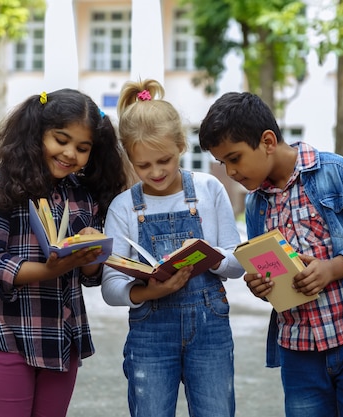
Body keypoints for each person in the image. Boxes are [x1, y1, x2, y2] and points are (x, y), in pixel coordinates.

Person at [198, 91, 343, 417]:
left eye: (235, 158)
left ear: (268, 141)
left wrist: (333, 268)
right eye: (222, 163)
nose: (230, 172)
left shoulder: (339, 174)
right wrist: (262, 287)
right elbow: (272, 273)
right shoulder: (257, 205)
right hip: (299, 354)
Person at [0, 88, 130, 417]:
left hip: (61, 339)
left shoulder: (82, 196)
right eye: (61, 140)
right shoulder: (0, 186)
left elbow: (92, 276)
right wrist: (50, 270)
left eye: (82, 148)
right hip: (6, 334)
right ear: (38, 133)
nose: (70, 153)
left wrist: (89, 252)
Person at [101, 79, 245, 417]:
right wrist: (151, 291)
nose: (155, 172)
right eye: (143, 166)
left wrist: (209, 256)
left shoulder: (209, 190)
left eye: (164, 160)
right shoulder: (123, 207)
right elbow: (110, 287)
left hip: (210, 330)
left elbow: (237, 262)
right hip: (150, 335)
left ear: (181, 145)